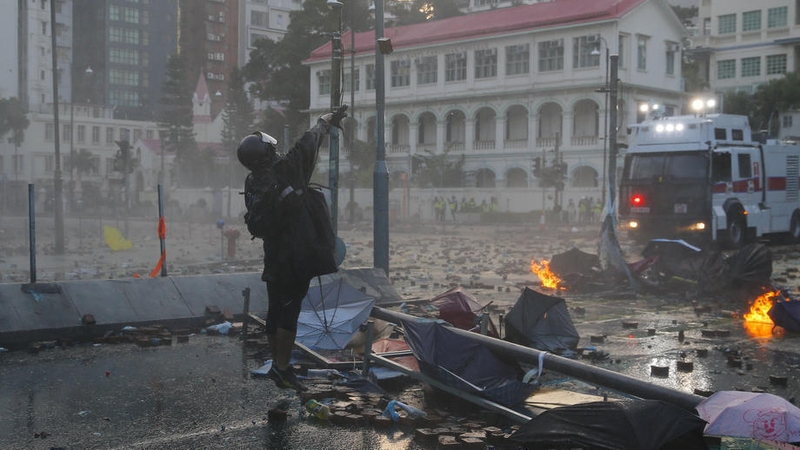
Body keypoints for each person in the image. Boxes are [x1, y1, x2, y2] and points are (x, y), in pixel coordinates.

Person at [236, 110, 344, 391]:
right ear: (265, 152)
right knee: (289, 312)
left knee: (275, 310)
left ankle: (277, 364)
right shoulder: (285, 170)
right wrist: (325, 121)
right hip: (297, 254)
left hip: (273, 254)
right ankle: (283, 368)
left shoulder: (252, 182)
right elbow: (306, 144)